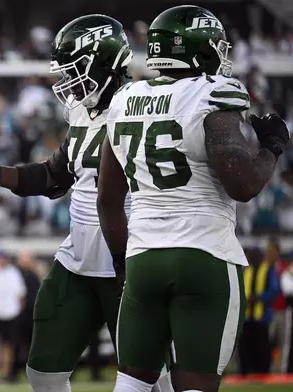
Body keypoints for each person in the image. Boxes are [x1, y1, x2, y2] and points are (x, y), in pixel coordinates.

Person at [96, 5, 291, 392]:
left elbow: (107, 199)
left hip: (144, 258)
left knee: (131, 385)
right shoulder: (210, 95)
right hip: (206, 254)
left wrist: (123, 262)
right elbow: (244, 185)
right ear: (201, 49)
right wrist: (272, 147)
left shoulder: (123, 99)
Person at [0, 15, 142, 392]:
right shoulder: (83, 112)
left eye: (75, 70)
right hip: (79, 261)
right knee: (44, 373)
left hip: (130, 261)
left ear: (102, 63)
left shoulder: (139, 107)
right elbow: (53, 176)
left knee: (148, 380)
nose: (67, 82)